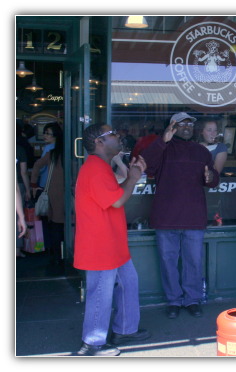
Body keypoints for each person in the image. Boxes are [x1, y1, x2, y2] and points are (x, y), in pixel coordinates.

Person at [74, 123, 150, 356]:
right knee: (100, 293)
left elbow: (114, 195)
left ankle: (125, 329)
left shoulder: (101, 166)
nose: (119, 136)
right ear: (99, 142)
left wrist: (130, 175)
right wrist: (134, 177)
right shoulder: (95, 168)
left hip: (112, 242)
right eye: (113, 134)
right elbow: (117, 200)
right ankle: (92, 344)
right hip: (100, 245)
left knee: (129, 283)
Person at [142, 112, 219, 319]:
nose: (186, 127)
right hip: (166, 216)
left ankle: (192, 299)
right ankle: (174, 300)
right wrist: (162, 141)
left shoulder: (201, 151)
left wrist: (211, 176)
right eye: (181, 124)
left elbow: (212, 179)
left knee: (193, 261)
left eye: (189, 124)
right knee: (168, 261)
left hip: (193, 215)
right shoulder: (162, 149)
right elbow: (146, 165)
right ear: (171, 127)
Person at [30, 123, 65, 270]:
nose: (45, 136)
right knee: (65, 225)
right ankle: (65, 254)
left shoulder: (51, 152)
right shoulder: (69, 152)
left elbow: (37, 165)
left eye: (48, 133)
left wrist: (33, 185)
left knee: (54, 225)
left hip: (51, 191)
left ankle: (56, 256)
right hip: (67, 192)